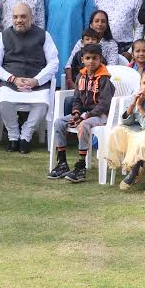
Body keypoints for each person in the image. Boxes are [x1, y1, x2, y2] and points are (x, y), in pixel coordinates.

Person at [0, 3, 59, 153]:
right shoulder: (2, 36)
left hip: (37, 83)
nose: (19, 20)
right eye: (15, 17)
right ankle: (13, 137)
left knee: (42, 104)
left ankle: (25, 136)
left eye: (23, 16)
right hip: (11, 83)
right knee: (4, 102)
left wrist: (37, 80)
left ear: (31, 18)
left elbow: (54, 63)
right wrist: (12, 78)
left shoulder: (44, 35)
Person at [48, 44, 115, 184]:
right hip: (84, 113)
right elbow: (77, 98)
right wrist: (77, 113)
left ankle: (81, 166)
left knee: (83, 125)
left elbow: (104, 105)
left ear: (100, 59)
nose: (91, 61)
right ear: (82, 59)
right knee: (59, 122)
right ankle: (62, 162)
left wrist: (86, 116)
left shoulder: (104, 80)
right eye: (88, 58)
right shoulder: (80, 76)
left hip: (101, 116)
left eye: (95, 58)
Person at [107, 68, 145, 190]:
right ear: (140, 83)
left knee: (144, 136)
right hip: (139, 128)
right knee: (118, 130)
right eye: (144, 83)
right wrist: (132, 105)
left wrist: (140, 106)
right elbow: (127, 121)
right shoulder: (137, 94)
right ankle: (130, 164)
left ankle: (136, 169)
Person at [44, 0, 96, 68]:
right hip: (52, 39)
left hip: (74, 39)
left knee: (71, 69)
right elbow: (44, 17)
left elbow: (88, 20)